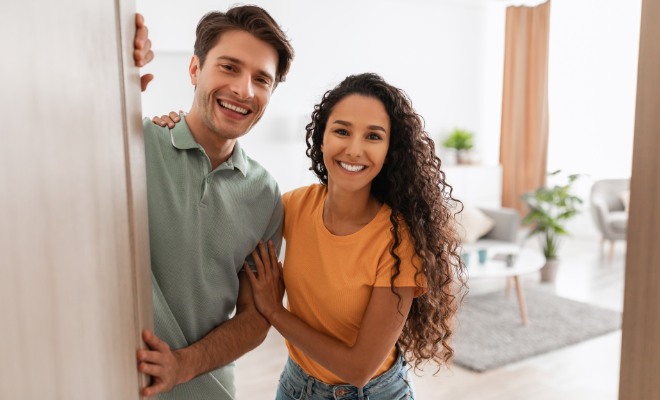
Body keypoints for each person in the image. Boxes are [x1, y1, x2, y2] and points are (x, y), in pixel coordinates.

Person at [156, 73, 466, 399]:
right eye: (342, 131)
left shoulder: (398, 243)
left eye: (373, 137)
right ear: (321, 139)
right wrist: (179, 129)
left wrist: (277, 313)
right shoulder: (293, 206)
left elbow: (357, 369)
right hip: (296, 384)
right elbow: (225, 208)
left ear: (390, 151)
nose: (354, 149)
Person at [132, 5, 295, 399]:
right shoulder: (134, 145)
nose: (244, 90)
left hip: (211, 391)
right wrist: (114, 66)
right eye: (229, 67)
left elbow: (257, 317)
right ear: (194, 70)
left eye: (262, 79)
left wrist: (183, 365)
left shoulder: (265, 194)